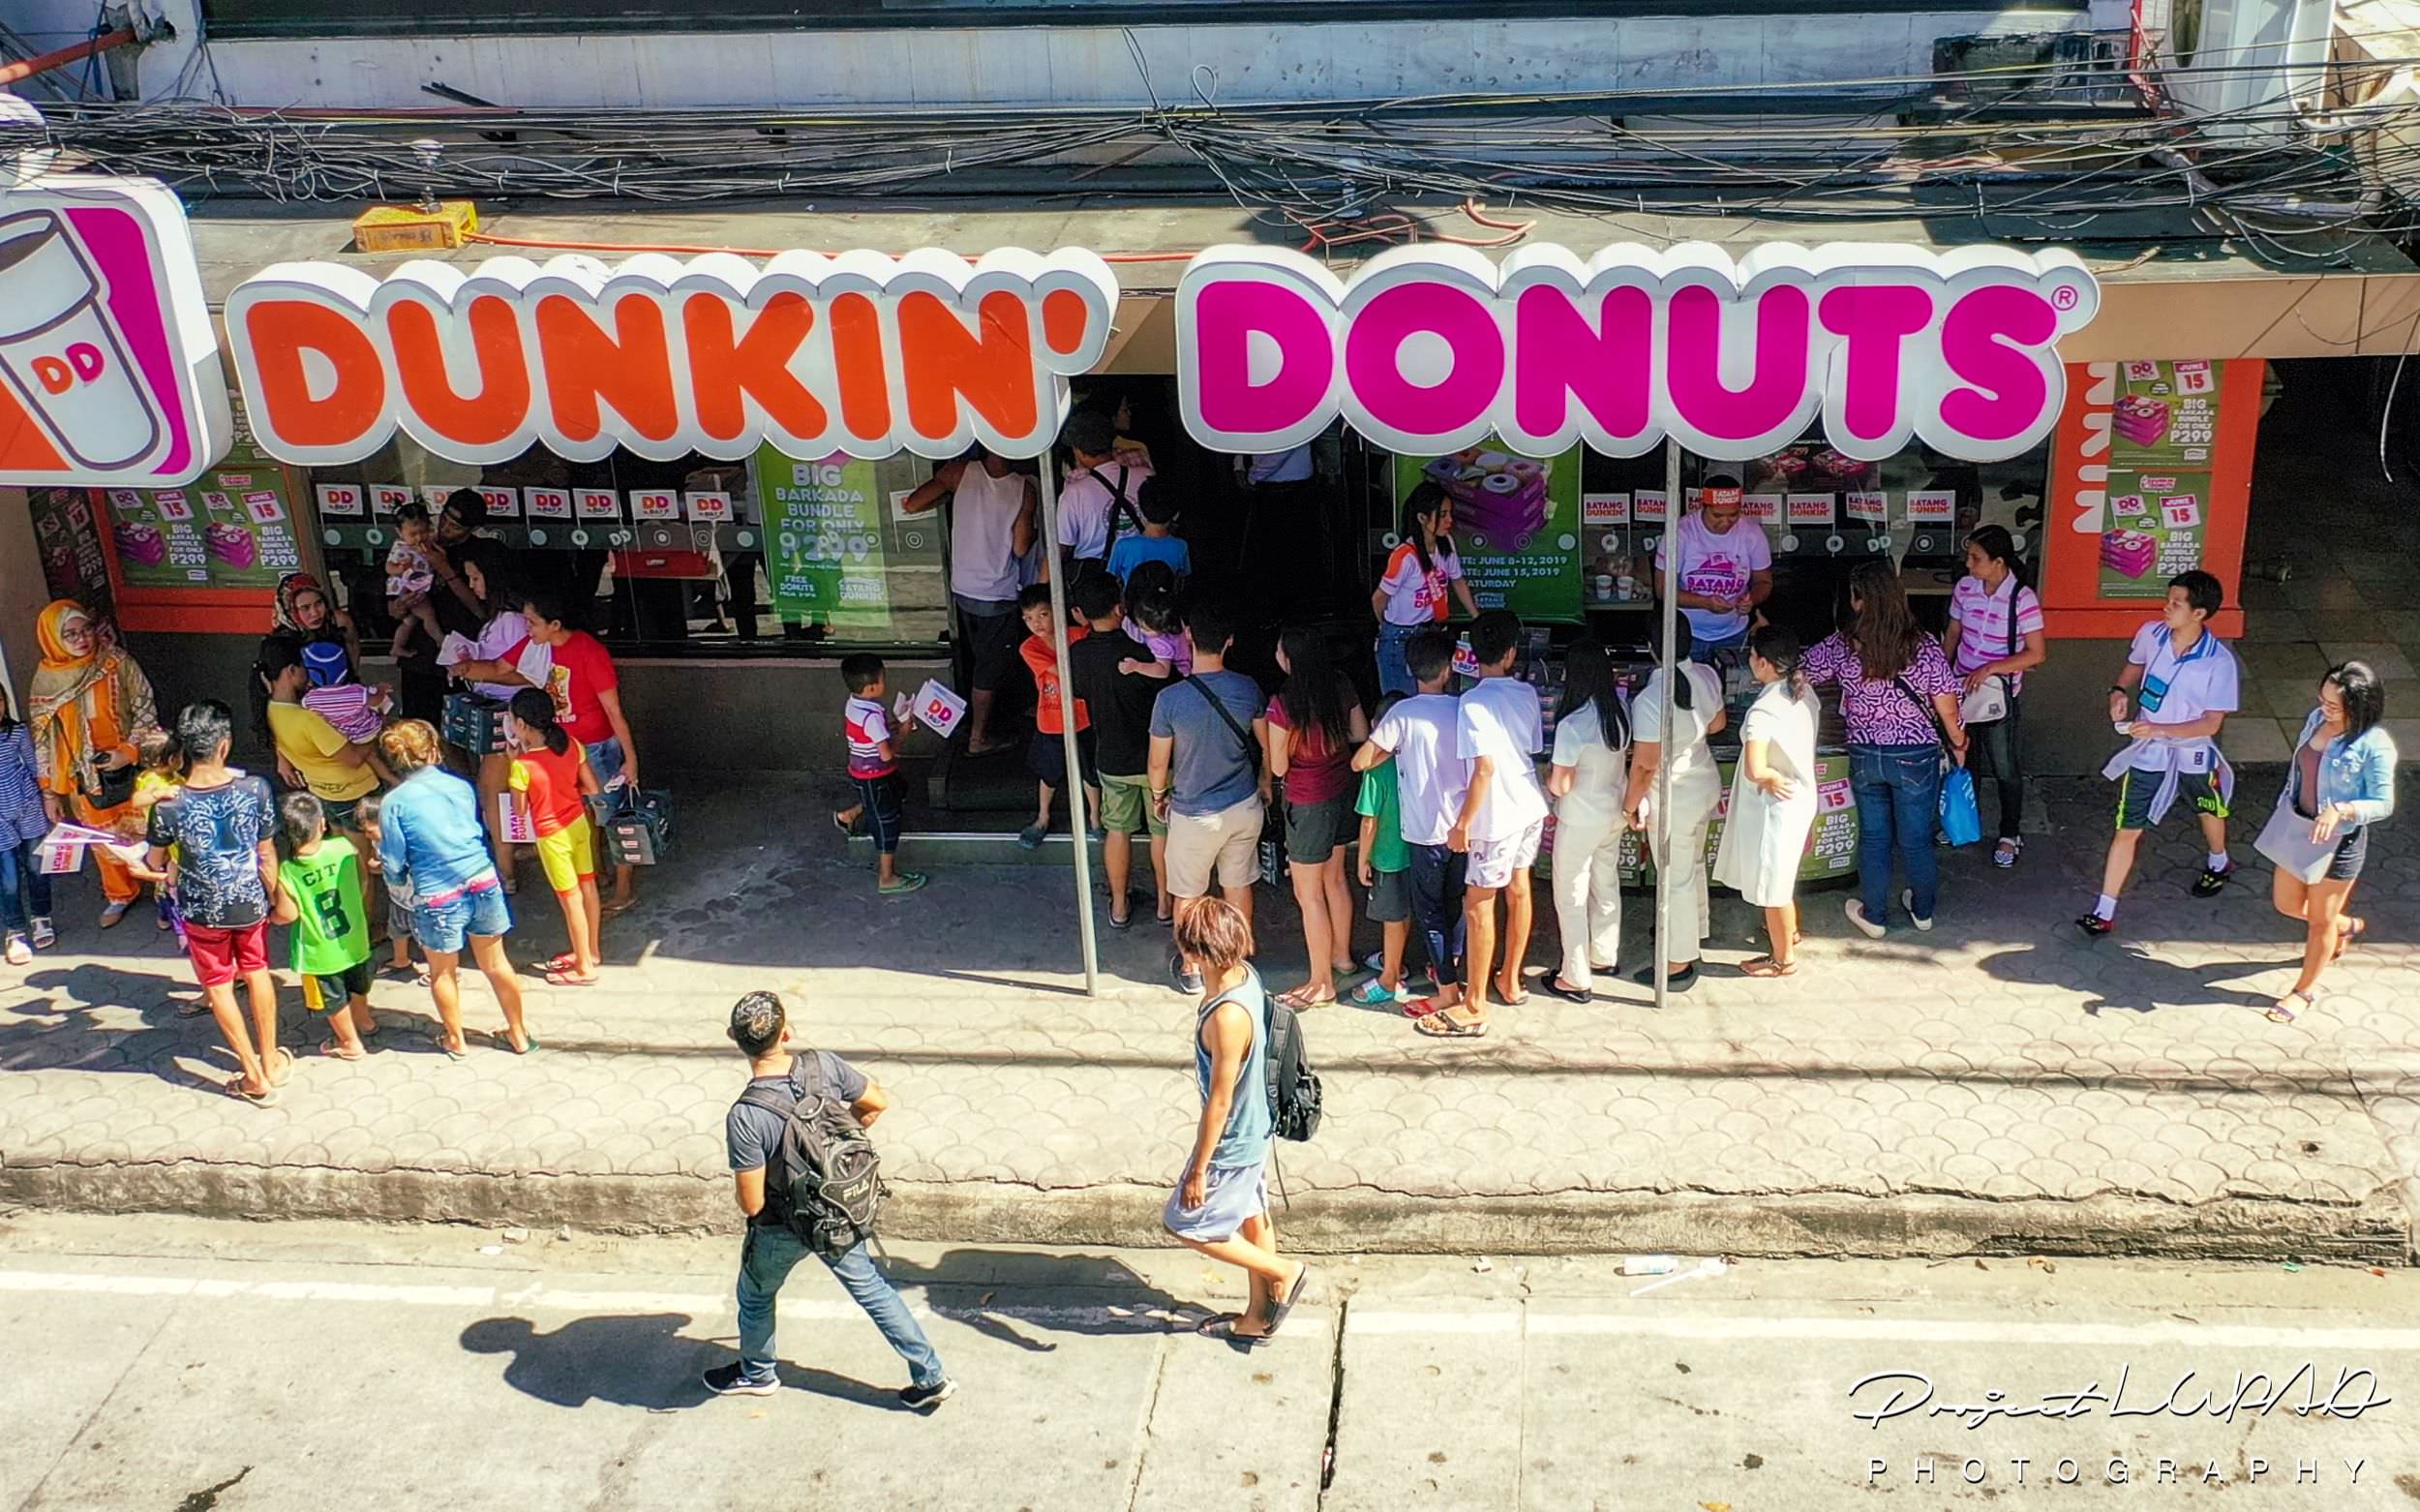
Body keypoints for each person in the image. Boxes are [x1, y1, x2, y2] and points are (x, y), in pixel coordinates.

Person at [704, 990, 956, 1408]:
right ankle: (930, 1377)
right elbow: (877, 1103)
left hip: (783, 1227)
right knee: (873, 1289)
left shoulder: (746, 1116)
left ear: (734, 1038)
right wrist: (830, 1148)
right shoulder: (823, 1065)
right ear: (787, 1033)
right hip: (839, 1209)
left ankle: (757, 1372)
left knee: (755, 1294)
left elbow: (751, 1204)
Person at [1164, 898, 1311, 1345]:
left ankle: (1284, 1271)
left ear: (1197, 955)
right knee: (1252, 1215)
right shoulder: (1246, 977)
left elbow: (1220, 1102)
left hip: (1234, 1139)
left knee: (1186, 1223)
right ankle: (1258, 1316)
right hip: (1256, 1125)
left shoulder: (1227, 1016)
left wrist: (1199, 1169)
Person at [1806, 560, 1968, 939]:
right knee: (1916, 839)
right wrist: (1959, 742)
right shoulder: (1925, 645)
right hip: (1916, 756)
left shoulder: (1842, 645)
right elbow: (1947, 707)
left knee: (1875, 838)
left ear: (1858, 601)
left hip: (1865, 755)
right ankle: (1923, 911)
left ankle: (1875, 915)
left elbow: (1801, 673)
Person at [2079, 570, 2241, 939]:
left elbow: (2211, 724)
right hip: (2149, 751)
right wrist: (2119, 690)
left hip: (2192, 753)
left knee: (2208, 808)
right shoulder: (2151, 634)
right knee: (2127, 827)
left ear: (2199, 613)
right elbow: (2135, 663)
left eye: (2176, 603)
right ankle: (2104, 909)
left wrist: (2160, 730)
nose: (2166, 608)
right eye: (2168, 600)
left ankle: (2219, 860)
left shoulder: (2219, 662)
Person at [145, 701, 286, 1105]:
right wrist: (274, 897)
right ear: (224, 745)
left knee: (220, 986)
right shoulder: (255, 789)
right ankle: (271, 1058)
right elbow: (267, 854)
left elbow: (155, 862)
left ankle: (252, 1074)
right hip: (249, 902)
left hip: (201, 909)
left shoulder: (169, 805)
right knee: (258, 972)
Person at [375, 718, 533, 1058]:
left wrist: (394, 877)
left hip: (437, 895)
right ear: (432, 751)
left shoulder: (393, 803)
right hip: (481, 879)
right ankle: (519, 1034)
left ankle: (455, 1039)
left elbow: (394, 861)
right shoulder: (460, 786)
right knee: (496, 963)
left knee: (442, 971)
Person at [2260, 662, 2397, 1024]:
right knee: (2287, 904)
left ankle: (2303, 991)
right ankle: (2345, 925)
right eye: (2322, 700)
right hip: (2299, 828)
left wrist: (2342, 809)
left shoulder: (2374, 744)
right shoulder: (2314, 720)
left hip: (2339, 842)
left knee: (2318, 923)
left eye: (2335, 705)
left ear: (2361, 706)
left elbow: (2384, 803)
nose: (2325, 709)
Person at [1148, 599, 1269, 995]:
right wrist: (1266, 782)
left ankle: (1193, 967)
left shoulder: (1170, 700)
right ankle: (1237, 961)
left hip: (1193, 813)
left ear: (1187, 636)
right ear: (1230, 641)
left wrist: (1159, 796)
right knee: (1238, 884)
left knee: (1188, 892)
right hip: (1243, 805)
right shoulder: (1248, 688)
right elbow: (1266, 745)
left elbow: (1156, 764)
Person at [1436, 610, 1547, 1035]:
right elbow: (1532, 747)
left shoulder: (1473, 701)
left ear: (1471, 654)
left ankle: (1475, 1002)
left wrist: (1463, 822)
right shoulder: (1526, 694)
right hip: (1529, 805)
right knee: (1519, 891)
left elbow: (1483, 769)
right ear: (1512, 653)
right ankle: (1511, 979)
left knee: (1479, 906)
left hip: (1495, 814)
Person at [1353, 628, 1472, 1019]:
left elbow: (1360, 761)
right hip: (1462, 828)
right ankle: (1447, 967)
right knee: (1454, 904)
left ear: (1409, 669)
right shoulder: (1462, 708)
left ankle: (1446, 990)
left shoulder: (1402, 714)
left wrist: (1390, 749)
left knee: (1429, 913)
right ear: (1450, 667)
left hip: (1424, 835)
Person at [28, 599, 160, 927]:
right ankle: (120, 893)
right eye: (70, 634)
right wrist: (49, 793)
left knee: (152, 828)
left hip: (133, 765)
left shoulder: (116, 662)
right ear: (52, 639)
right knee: (104, 839)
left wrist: (128, 751)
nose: (82, 639)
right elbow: (43, 740)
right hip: (86, 776)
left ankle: (164, 893)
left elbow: (146, 708)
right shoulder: (45, 682)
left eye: (85, 629)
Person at [514, 590, 644, 916]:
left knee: (613, 817)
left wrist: (631, 759)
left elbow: (614, 711)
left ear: (554, 624)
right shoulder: (541, 651)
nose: (526, 628)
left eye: (532, 622)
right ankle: (598, 874)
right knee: (585, 814)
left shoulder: (589, 651)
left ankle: (624, 889)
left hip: (598, 747)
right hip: (565, 748)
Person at [899, 449, 1037, 756]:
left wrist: (951, 495)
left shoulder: (957, 473)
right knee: (990, 667)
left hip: (963, 588)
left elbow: (912, 504)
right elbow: (1021, 546)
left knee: (986, 659)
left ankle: (1008, 711)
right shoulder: (1024, 488)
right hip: (997, 591)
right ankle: (978, 737)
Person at [1265, 626, 1369, 1010]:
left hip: (1307, 802)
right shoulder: (1341, 685)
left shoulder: (1283, 702)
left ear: (1290, 658)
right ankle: (1341, 957)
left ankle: (1321, 982)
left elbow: (1277, 767)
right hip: (1343, 791)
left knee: (1309, 896)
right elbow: (1361, 732)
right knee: (1336, 879)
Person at [438, 542, 550, 887]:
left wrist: (475, 671)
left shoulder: (514, 622)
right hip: (501, 714)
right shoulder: (502, 619)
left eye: (476, 577)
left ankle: (505, 873)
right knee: (506, 793)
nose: (472, 585)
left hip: (508, 715)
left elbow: (523, 671)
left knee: (494, 795)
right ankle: (519, 853)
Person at [1713, 627, 1822, 978]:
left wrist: (1772, 777)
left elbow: (1755, 768)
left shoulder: (1763, 709)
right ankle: (1788, 933)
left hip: (1777, 805)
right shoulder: (1805, 694)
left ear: (1763, 663)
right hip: (1802, 796)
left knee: (1774, 886)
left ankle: (1783, 959)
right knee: (1782, 875)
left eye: (1751, 657)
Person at [1065, 573, 1170, 927]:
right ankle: (1165, 906)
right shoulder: (1143, 653)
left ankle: (1120, 906)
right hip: (1155, 760)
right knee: (1162, 831)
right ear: (1120, 607)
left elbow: (1079, 693)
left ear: (1081, 613)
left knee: (1117, 830)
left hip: (1110, 757)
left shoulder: (1077, 655)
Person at [1619, 645, 1726, 990]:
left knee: (1675, 879)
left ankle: (1678, 963)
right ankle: (1696, 929)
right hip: (1703, 782)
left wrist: (1629, 805)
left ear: (1652, 648)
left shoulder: (1651, 698)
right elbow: (1717, 723)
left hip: (1673, 796)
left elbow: (1645, 764)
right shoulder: (1706, 675)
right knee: (1693, 865)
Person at [1943, 526, 2047, 868]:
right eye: (1969, 557)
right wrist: (1942, 673)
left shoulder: (2023, 598)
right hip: (1961, 688)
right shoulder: (1964, 588)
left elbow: (2036, 653)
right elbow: (1954, 631)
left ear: (1999, 562)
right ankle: (1963, 823)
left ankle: (2009, 833)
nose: (1969, 564)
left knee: (2004, 768)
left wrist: (1992, 668)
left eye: (1976, 558)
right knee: (1963, 762)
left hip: (1998, 696)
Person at [1540, 639, 1629, 1003]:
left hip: (1579, 818)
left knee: (1570, 895)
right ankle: (1604, 955)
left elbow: (1561, 784)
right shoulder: (1620, 709)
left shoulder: (1573, 724)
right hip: (1613, 810)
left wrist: (1546, 776)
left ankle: (1575, 976)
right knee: (1605, 883)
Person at [506, 689, 605, 986]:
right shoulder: (572, 745)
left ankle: (585, 967)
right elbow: (592, 788)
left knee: (569, 899)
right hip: (578, 824)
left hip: (552, 836)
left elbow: (519, 810)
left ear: (521, 725)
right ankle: (591, 952)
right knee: (588, 886)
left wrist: (514, 763)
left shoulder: (523, 766)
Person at [271, 791, 378, 1060]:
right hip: (354, 936)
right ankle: (365, 1020)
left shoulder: (287, 871)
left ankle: (349, 1042)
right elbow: (363, 880)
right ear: (321, 824)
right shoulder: (343, 847)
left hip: (319, 950)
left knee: (333, 999)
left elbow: (289, 914)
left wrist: (271, 917)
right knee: (358, 982)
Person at [257, 636, 388, 830]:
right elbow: (354, 759)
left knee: (339, 849)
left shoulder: (271, 710)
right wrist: (378, 730)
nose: (309, 675)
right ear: (292, 670)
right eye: (305, 668)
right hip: (355, 792)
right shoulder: (309, 719)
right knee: (362, 856)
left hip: (323, 793)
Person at [393, 488, 499, 723]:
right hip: (418, 659)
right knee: (417, 733)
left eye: (456, 526)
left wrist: (443, 567)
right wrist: (397, 608)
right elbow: (390, 596)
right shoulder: (415, 543)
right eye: (444, 519)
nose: (445, 528)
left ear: (472, 529)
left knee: (458, 738)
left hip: (460, 661)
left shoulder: (484, 552)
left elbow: (482, 610)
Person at [832, 653, 927, 897]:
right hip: (876, 774)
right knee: (886, 821)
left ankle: (849, 815)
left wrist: (894, 725)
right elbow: (886, 753)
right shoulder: (873, 716)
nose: (886, 683)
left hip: (862, 772)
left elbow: (870, 733)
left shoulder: (855, 703)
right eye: (884, 679)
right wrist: (904, 732)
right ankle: (887, 877)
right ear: (873, 686)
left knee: (896, 791)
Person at [1372, 482, 1478, 697]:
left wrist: (1477, 617)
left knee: (1431, 698)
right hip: (1400, 638)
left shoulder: (1445, 544)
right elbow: (1379, 598)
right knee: (1401, 702)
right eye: (1443, 514)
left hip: (1430, 632)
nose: (1450, 520)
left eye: (1450, 513)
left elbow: (1457, 580)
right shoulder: (1404, 556)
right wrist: (1386, 626)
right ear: (1422, 518)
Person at [1655, 474, 1773, 665]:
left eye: (1733, 515)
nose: (1725, 522)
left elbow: (1764, 581)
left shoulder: (1751, 533)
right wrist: (1705, 602)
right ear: (1703, 507)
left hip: (1734, 634)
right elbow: (1663, 590)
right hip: (1687, 634)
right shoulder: (1681, 532)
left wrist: (1751, 599)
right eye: (1717, 515)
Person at [1015, 583, 1099, 849]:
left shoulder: (1077, 634)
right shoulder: (1029, 647)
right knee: (1049, 774)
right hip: (1051, 722)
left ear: (1056, 611)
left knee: (1091, 773)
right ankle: (1042, 818)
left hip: (1083, 717)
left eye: (1042, 614)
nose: (1036, 623)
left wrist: (1086, 625)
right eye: (1028, 618)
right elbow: (1062, 669)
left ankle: (1096, 818)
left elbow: (1097, 641)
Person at [1349, 692, 1418, 1009]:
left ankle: (1389, 979)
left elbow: (1369, 822)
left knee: (1391, 917)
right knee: (1403, 912)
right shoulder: (1416, 757)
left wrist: (1363, 859)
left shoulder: (1375, 769)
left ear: (1378, 727)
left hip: (1388, 855)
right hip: (1415, 849)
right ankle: (1396, 961)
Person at [1052, 408, 1154, 576]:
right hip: (1142, 571)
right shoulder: (1146, 476)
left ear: (1079, 451)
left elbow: (1061, 546)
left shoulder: (1074, 492)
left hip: (1094, 579)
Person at [0, 683, 53, 964]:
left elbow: (34, 766)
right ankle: (15, 931)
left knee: (37, 867)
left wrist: (48, 796)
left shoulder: (16, 731)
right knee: (8, 879)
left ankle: (41, 917)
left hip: (27, 804)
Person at [355, 790, 421, 983]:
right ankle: (401, 960)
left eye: (370, 830)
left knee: (425, 937)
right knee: (397, 930)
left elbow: (403, 867)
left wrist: (380, 866)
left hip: (416, 899)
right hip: (398, 896)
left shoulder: (403, 842)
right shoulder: (378, 842)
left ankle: (443, 969)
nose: (368, 836)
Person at [127, 729, 185, 940]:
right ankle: (176, 924)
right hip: (163, 843)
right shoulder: (152, 781)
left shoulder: (172, 776)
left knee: (167, 883)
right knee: (170, 884)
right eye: (180, 756)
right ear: (172, 759)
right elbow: (137, 800)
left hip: (173, 839)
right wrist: (159, 794)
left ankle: (166, 915)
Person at [273, 570, 364, 683]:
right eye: (305, 608)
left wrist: (350, 678)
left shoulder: (338, 621)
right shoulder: (282, 639)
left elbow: (352, 645)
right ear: (290, 611)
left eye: (319, 603)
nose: (315, 613)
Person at [386, 500, 447, 656]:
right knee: (428, 614)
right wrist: (399, 569)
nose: (419, 538)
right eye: (413, 535)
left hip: (417, 585)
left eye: (424, 531)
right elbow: (388, 567)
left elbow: (434, 537)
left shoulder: (424, 542)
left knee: (409, 622)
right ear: (400, 532)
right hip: (408, 589)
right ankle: (440, 640)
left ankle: (397, 646)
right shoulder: (401, 548)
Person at [1106, 478, 1191, 586]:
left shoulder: (1123, 546)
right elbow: (1182, 579)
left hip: (1132, 601)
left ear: (1140, 511)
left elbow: (1111, 579)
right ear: (1176, 515)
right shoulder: (1180, 547)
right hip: (1166, 602)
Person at [1119, 560, 1192, 678]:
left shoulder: (1159, 642)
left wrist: (1136, 666)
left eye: (1146, 629)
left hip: (1179, 674)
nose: (1142, 631)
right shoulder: (1170, 616)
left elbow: (1163, 671)